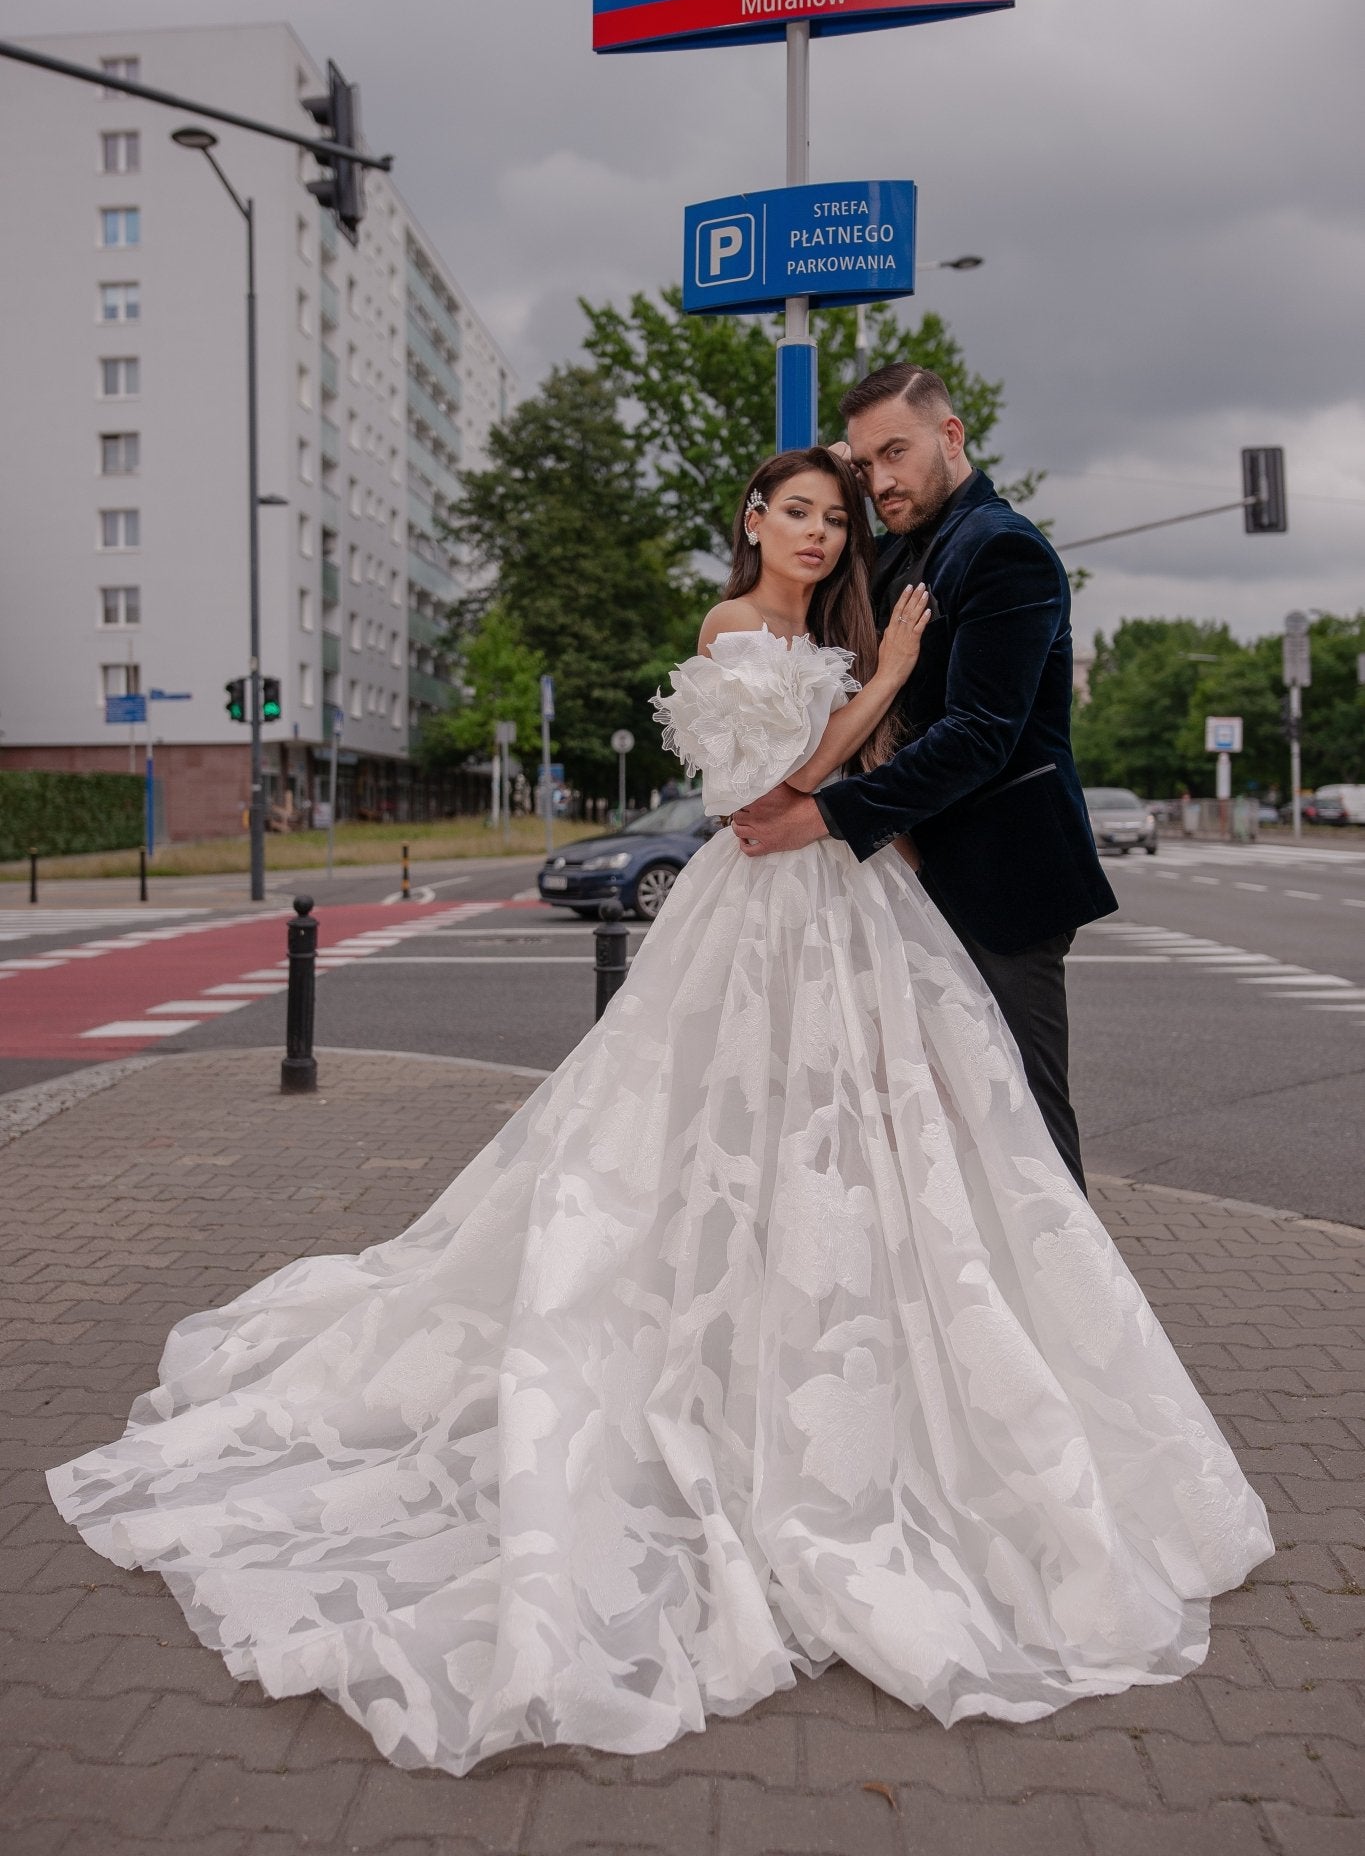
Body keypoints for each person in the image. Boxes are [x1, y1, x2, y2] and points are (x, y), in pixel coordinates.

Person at [47, 447, 1273, 1779]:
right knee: (698, 1144)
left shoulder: (832, 630)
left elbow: (849, 793)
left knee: (868, 1153)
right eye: (794, 512)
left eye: (833, 519)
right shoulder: (733, 627)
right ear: (751, 521)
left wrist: (888, 717)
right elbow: (761, 798)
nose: (814, 535)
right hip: (755, 924)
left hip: (857, 915)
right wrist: (892, 688)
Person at [733, 365, 1116, 1196]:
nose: (880, 481)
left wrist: (823, 817)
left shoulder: (1003, 550)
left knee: (1023, 1129)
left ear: (952, 437)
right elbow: (806, 583)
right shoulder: (898, 548)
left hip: (999, 882)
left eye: (896, 453)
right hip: (904, 882)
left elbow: (979, 735)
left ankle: (1077, 1320)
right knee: (931, 1129)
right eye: (867, 465)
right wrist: (835, 468)